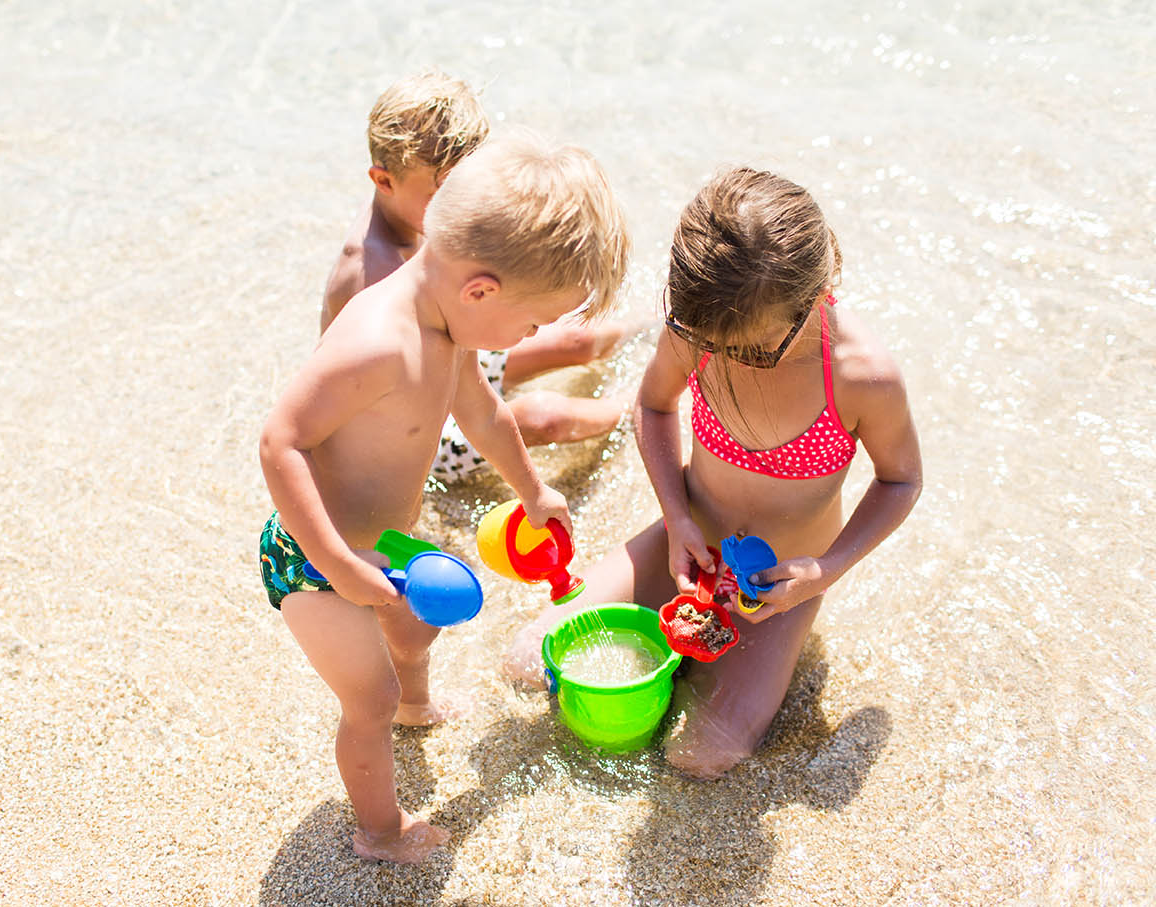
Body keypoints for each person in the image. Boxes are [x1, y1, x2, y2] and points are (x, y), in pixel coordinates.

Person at [260, 136, 630, 862]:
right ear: (481, 291)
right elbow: (281, 442)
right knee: (364, 701)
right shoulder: (378, 341)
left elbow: (485, 416)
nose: (529, 338)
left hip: (383, 542)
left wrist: (533, 490)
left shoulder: (450, 327)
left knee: (415, 632)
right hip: (312, 556)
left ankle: (416, 704)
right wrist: (335, 562)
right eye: (532, 324)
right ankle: (379, 832)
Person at [505, 167, 922, 779]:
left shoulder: (861, 375)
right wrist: (676, 517)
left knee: (702, 758)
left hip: (777, 588)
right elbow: (654, 405)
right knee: (529, 662)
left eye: (752, 351)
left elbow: (901, 480)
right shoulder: (700, 329)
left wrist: (825, 570)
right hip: (687, 545)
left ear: (817, 292)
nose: (730, 361)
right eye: (715, 346)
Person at [321, 70, 632, 481]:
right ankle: (638, 410)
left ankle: (655, 335)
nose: (461, 203)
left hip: (453, 350)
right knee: (543, 417)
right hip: (417, 431)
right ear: (384, 180)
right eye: (445, 189)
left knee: (577, 339)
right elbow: (423, 392)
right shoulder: (370, 271)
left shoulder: (417, 215)